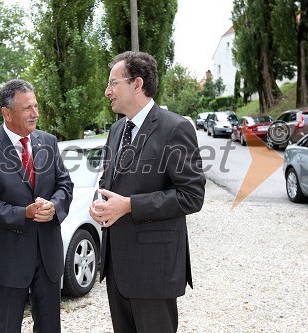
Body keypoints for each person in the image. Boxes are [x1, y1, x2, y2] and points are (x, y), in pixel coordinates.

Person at [89, 51, 206, 332]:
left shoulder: (175, 128)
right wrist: (101, 204)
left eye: (113, 83)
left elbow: (192, 195)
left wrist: (130, 205)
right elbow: (110, 182)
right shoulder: (117, 130)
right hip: (117, 267)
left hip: (154, 269)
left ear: (137, 84)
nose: (108, 91)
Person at [0, 79, 74, 333]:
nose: (35, 113)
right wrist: (22, 213)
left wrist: (54, 206)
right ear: (7, 112)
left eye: (36, 106)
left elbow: (65, 185)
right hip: (9, 259)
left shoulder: (47, 142)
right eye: (28, 108)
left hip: (48, 256)